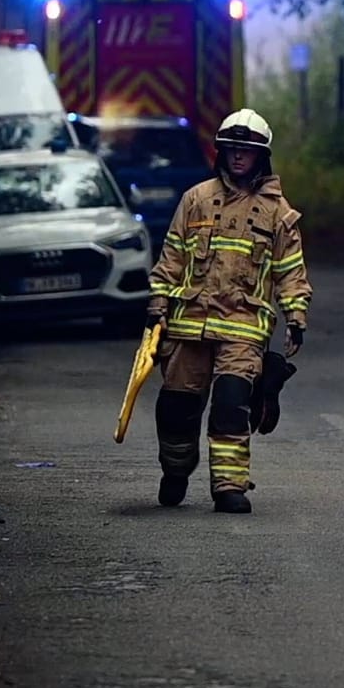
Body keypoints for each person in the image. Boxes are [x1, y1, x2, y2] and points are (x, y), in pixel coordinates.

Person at [145, 108, 311, 514]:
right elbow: (171, 258)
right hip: (189, 327)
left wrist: (295, 316)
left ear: (261, 157)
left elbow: (290, 270)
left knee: (231, 405)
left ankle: (229, 487)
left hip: (244, 327)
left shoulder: (277, 212)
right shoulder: (195, 200)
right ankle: (177, 469)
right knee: (176, 410)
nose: (239, 157)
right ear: (221, 152)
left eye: (247, 151)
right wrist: (157, 306)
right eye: (232, 150)